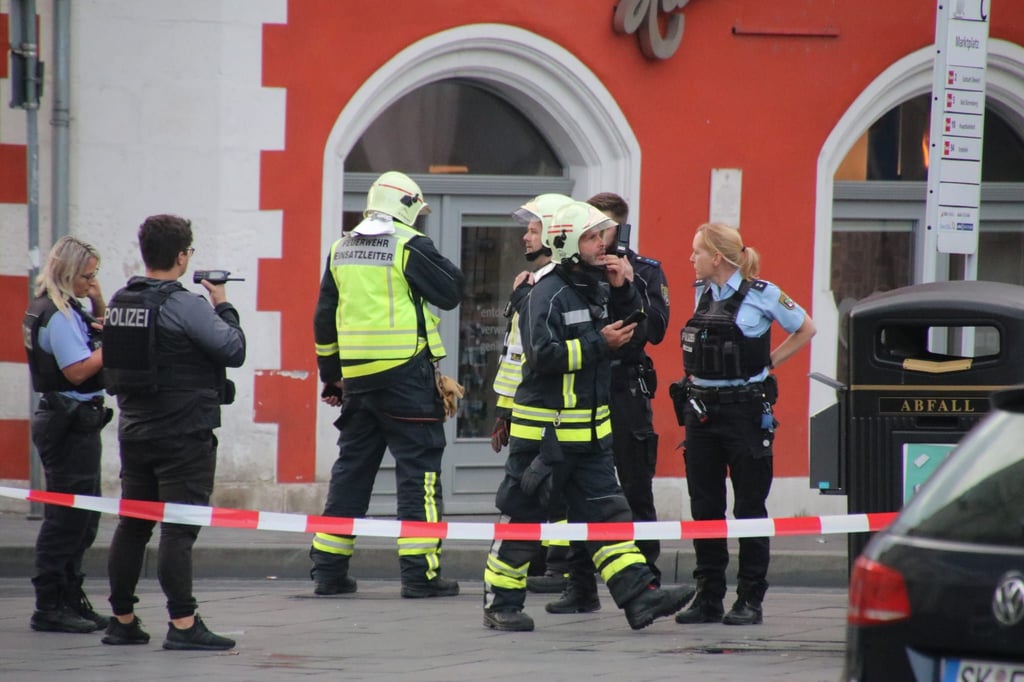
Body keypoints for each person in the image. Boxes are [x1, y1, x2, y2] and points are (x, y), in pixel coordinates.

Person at [482, 200, 695, 633]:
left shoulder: (597, 286)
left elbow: (635, 333)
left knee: (610, 518)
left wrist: (622, 291)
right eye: (593, 236)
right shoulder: (546, 293)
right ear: (565, 242)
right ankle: (500, 603)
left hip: (592, 435)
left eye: (603, 235)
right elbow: (542, 356)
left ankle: (640, 599)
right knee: (523, 519)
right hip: (546, 438)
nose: (604, 243)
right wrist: (599, 344)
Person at [310, 170, 465, 599]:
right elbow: (452, 291)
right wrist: (429, 250)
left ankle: (328, 572)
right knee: (419, 473)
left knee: (351, 473)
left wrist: (332, 376)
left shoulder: (340, 248)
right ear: (408, 207)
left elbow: (325, 319)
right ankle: (420, 575)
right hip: (406, 380)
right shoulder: (408, 245)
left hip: (358, 381)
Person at [101, 214, 246, 650]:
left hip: (135, 429)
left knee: (133, 525)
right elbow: (233, 348)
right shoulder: (186, 304)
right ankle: (183, 624)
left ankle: (122, 618)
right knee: (178, 528)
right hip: (182, 433)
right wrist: (222, 303)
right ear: (182, 256)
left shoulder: (122, 299)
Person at [673, 222, 816, 626]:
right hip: (701, 412)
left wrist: (769, 362)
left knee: (750, 506)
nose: (691, 259)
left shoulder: (762, 293)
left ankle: (750, 597)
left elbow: (806, 327)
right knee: (705, 507)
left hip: (744, 413)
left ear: (716, 257)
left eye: (696, 252)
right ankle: (708, 596)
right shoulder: (703, 293)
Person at [23, 236, 112, 634]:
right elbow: (77, 370)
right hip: (67, 420)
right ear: (68, 273)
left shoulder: (65, 307)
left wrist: (97, 300)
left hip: (77, 419)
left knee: (84, 518)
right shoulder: (55, 315)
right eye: (87, 276)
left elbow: (93, 329)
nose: (91, 282)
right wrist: (114, 347)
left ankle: (71, 598)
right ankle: (50, 604)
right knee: (66, 518)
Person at [489, 193, 574, 595]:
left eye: (534, 229)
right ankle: (543, 564)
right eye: (527, 229)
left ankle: (561, 567)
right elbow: (513, 356)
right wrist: (504, 410)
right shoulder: (532, 285)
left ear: (556, 236)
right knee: (532, 489)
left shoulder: (557, 289)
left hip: (551, 412)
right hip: (524, 409)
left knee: (551, 489)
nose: (525, 236)